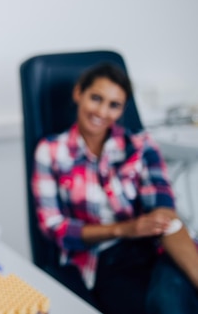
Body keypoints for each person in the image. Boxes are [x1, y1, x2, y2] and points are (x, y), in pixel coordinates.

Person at [32, 62, 198, 314]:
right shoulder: (51, 152)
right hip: (106, 260)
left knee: (173, 300)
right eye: (96, 98)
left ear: (122, 110)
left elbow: (165, 213)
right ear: (79, 93)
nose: (102, 111)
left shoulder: (141, 146)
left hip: (156, 249)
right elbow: (55, 228)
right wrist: (125, 229)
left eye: (114, 105)